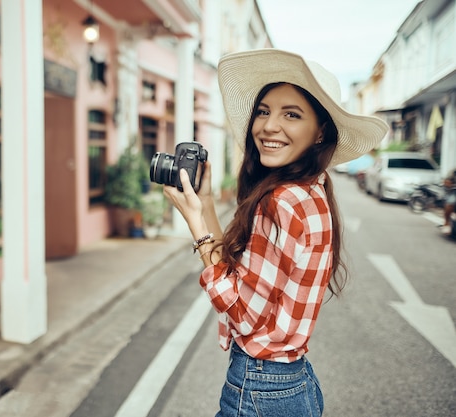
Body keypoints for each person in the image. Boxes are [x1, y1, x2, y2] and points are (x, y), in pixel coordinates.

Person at [163, 49, 388, 416]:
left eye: (292, 115)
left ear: (320, 133)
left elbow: (245, 315)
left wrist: (197, 227)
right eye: (264, 111)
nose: (268, 126)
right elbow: (246, 278)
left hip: (260, 387)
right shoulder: (313, 188)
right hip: (294, 382)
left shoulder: (281, 202)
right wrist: (203, 202)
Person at [441, 168, 456, 235]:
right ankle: (446, 223)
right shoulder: (453, 171)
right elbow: (447, 181)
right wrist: (449, 184)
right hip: (454, 192)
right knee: (450, 202)